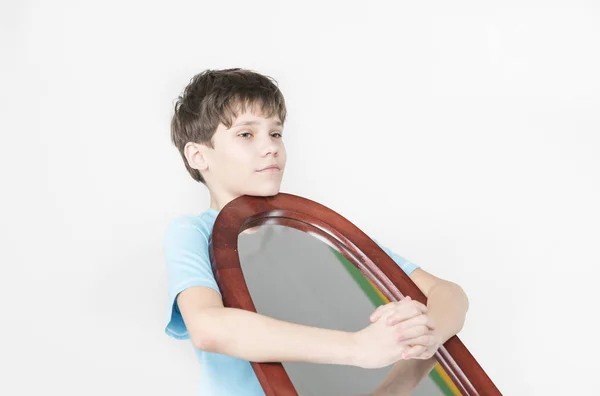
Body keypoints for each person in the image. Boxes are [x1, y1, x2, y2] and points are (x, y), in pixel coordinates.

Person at [164, 68, 469, 395]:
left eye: (276, 133)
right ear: (198, 155)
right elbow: (209, 327)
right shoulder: (194, 232)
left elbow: (448, 294)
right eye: (246, 134)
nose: (270, 147)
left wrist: (425, 340)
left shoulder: (317, 232)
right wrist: (358, 347)